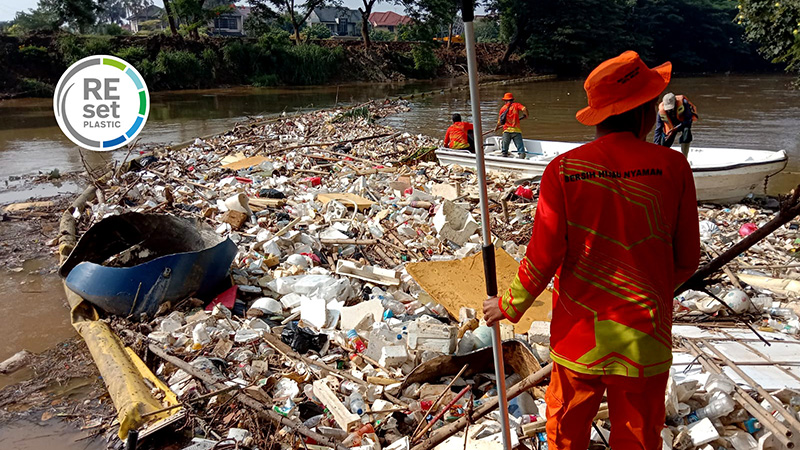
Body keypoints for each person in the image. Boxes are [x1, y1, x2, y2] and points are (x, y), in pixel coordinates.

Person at [483, 51, 700, 450]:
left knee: (566, 432)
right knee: (637, 437)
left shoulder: (563, 170)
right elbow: (687, 259)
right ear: (645, 112)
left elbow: (543, 256)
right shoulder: (673, 167)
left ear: (598, 114)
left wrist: (508, 305)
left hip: (578, 336)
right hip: (644, 337)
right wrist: (649, 291)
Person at [654, 92, 698, 157]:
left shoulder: (684, 104)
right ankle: (662, 157)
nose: (670, 111)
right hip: (671, 126)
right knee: (663, 141)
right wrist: (656, 147)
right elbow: (658, 129)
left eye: (671, 108)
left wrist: (676, 128)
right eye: (668, 109)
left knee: (687, 132)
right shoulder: (660, 112)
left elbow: (688, 121)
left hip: (682, 123)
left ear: (675, 103)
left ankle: (685, 157)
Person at [496, 93, 529, 158]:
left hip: (506, 131)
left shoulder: (503, 108)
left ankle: (504, 159)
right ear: (512, 100)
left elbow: (499, 122)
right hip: (516, 131)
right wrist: (526, 115)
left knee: (504, 149)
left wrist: (496, 128)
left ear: (505, 101)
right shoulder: (516, 105)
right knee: (521, 149)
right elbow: (524, 108)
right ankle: (521, 159)